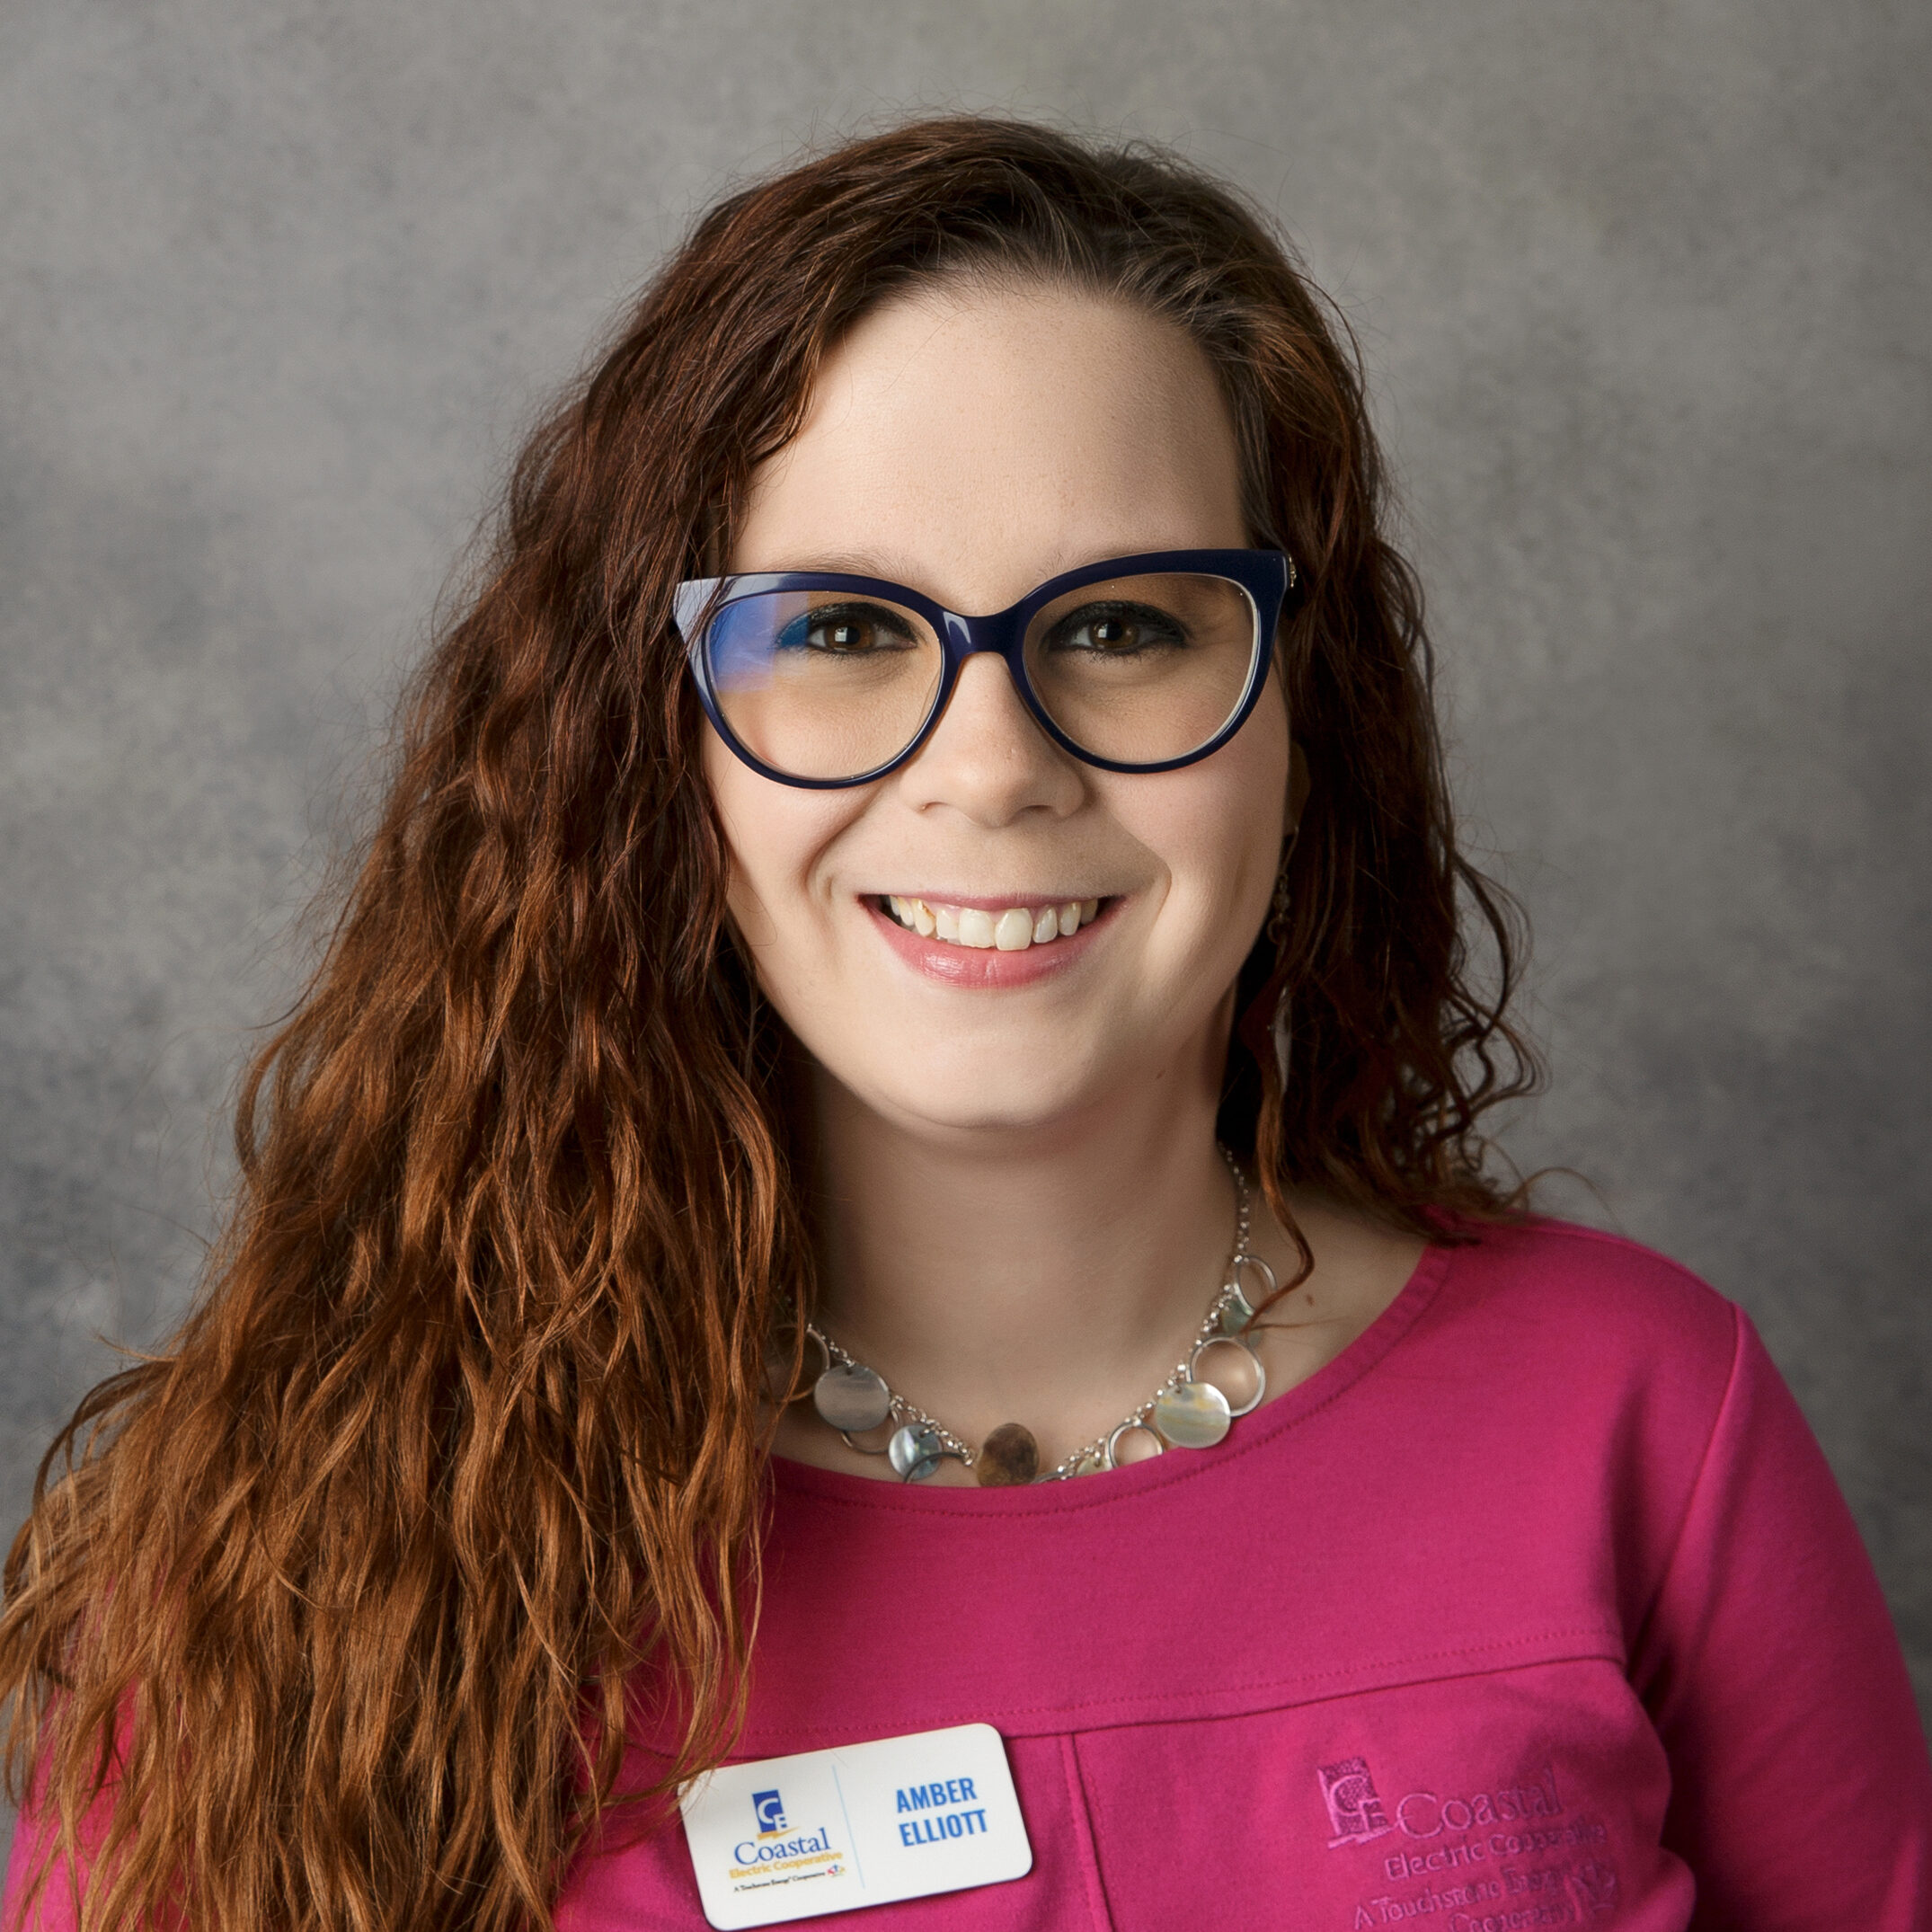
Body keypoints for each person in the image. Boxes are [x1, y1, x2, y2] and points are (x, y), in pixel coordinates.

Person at [3, 116, 1927, 1932]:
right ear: (642, 741)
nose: (990, 768)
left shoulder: (1646, 1418)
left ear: (1296, 712)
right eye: (840, 631)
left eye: (1123, 624)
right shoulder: (318, 1543)